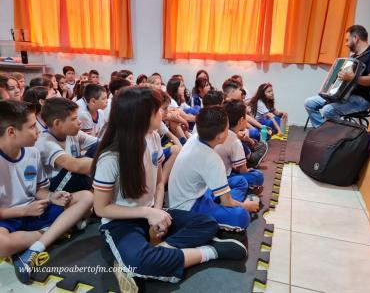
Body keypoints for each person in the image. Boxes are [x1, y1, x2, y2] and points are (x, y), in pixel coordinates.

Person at [92, 86, 246, 289]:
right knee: (140, 261)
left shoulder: (153, 137)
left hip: (151, 211)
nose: (164, 113)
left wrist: (155, 209)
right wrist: (148, 212)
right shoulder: (110, 158)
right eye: (159, 110)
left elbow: (158, 182)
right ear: (141, 116)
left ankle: (157, 251)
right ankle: (210, 252)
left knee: (206, 222)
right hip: (120, 223)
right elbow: (101, 208)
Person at [0, 100, 93, 284]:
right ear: (11, 132)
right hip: (9, 216)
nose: (38, 131)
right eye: (32, 126)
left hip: (36, 209)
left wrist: (52, 197)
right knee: (2, 245)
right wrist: (24, 211)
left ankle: (33, 249)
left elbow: (38, 190)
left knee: (86, 197)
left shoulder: (32, 152)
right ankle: (57, 230)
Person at [168, 106, 260, 231]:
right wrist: (245, 206)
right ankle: (224, 210)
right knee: (241, 216)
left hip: (200, 192)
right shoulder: (212, 159)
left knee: (240, 181)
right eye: (228, 128)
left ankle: (222, 206)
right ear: (221, 135)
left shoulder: (195, 138)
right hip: (189, 207)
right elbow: (227, 201)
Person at [304, 25, 370, 128]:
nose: (346, 44)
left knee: (327, 110)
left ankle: (348, 134)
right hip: (344, 96)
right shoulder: (353, 58)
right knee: (309, 103)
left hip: (361, 100)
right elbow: (345, 81)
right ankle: (323, 132)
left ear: (356, 38)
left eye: (347, 40)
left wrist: (353, 78)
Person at [35, 98, 98, 193]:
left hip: (72, 178)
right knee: (75, 168)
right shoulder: (45, 142)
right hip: (56, 187)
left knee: (99, 147)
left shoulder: (74, 133)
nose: (79, 122)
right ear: (57, 123)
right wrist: (108, 163)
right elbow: (75, 166)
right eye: (74, 119)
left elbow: (102, 144)